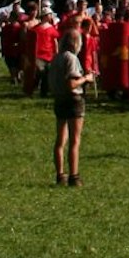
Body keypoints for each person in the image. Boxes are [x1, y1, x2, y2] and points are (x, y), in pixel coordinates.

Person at [48, 29, 90, 187]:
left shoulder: (56, 57)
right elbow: (72, 83)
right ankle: (74, 176)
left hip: (59, 98)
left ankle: (60, 174)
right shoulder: (71, 58)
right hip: (73, 99)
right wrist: (86, 78)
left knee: (60, 139)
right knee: (74, 140)